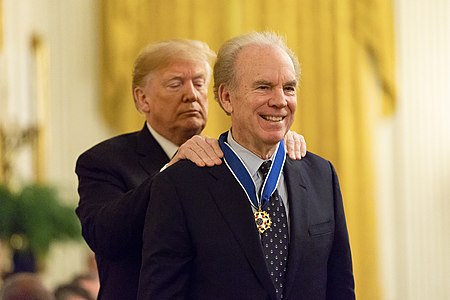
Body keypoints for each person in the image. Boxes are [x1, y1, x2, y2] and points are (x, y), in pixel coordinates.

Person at [75, 39, 307, 299]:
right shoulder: (104, 161)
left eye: (199, 83)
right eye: (175, 84)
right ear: (142, 99)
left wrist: (271, 140)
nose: (191, 94)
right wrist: (169, 171)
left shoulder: (227, 160)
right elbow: (104, 236)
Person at [138, 32, 355, 300]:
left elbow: (340, 287)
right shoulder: (181, 185)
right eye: (263, 87)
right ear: (227, 98)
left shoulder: (321, 176)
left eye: (288, 88)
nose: (279, 100)